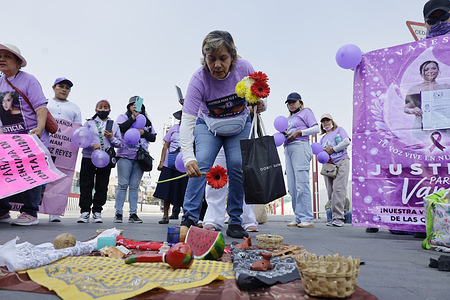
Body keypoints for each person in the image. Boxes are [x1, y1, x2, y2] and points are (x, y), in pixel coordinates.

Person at [179, 30, 265, 239]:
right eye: (211, 59)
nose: (217, 65)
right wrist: (189, 157)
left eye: (223, 58)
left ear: (233, 57)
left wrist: (260, 103)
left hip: (238, 125)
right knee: (202, 164)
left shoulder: (245, 69)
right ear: (205, 58)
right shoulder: (198, 79)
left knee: (237, 165)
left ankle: (235, 221)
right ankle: (189, 218)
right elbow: (188, 119)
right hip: (209, 127)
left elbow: (257, 97)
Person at [0, 43, 49, 225]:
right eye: (0, 56)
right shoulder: (0, 82)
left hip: (31, 137)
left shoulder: (29, 80)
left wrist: (40, 128)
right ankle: (2, 211)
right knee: (4, 173)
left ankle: (30, 212)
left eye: (8, 56)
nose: (2, 59)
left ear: (18, 62)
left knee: (31, 172)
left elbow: (40, 107)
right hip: (8, 140)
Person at [78, 100, 122, 223]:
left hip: (105, 159)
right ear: (96, 109)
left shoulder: (114, 125)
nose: (103, 110)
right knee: (86, 184)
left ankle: (97, 211)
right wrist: (92, 144)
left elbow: (120, 143)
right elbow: (82, 138)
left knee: (102, 185)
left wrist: (111, 137)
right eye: (100, 107)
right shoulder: (89, 123)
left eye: (106, 107)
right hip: (88, 157)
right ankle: (85, 211)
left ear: (110, 110)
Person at [113, 96, 156, 223]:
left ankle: (133, 214)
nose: (135, 107)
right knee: (122, 185)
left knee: (134, 186)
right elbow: (120, 129)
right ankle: (118, 213)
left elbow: (153, 138)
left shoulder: (147, 121)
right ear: (129, 107)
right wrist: (133, 118)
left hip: (140, 158)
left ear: (142, 108)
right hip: (125, 156)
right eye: (132, 105)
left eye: (138, 106)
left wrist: (143, 132)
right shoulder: (123, 117)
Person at [46, 77, 82, 222]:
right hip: (45, 143)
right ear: (53, 87)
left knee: (59, 177)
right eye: (61, 86)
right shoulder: (45, 103)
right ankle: (31, 211)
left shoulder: (74, 108)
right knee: (39, 175)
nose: (64, 90)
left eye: (67, 88)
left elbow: (78, 129)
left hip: (63, 149)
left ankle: (54, 212)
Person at [283, 92, 319, 228]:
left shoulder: (306, 112)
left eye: (293, 102)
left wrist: (299, 132)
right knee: (292, 186)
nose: (290, 105)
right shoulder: (288, 118)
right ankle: (298, 216)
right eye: (288, 103)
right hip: (288, 149)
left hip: (300, 146)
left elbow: (316, 128)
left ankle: (307, 218)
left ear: (300, 102)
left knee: (302, 183)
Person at [202, 147, 259, 232]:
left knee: (245, 176)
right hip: (218, 137)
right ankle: (213, 218)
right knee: (216, 176)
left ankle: (247, 218)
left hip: (242, 136)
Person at [154, 110, 187, 224]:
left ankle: (186, 217)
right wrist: (161, 162)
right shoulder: (174, 128)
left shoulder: (194, 128)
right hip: (170, 163)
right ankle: (165, 215)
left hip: (184, 164)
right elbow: (165, 146)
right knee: (166, 190)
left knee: (184, 190)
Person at [319, 113, 351, 227]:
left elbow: (346, 141)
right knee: (330, 191)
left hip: (341, 162)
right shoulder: (322, 138)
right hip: (329, 165)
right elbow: (319, 152)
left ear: (332, 121)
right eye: (323, 121)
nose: (325, 122)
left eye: (327, 120)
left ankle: (339, 217)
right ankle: (333, 216)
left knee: (339, 189)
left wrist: (333, 149)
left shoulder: (339, 130)